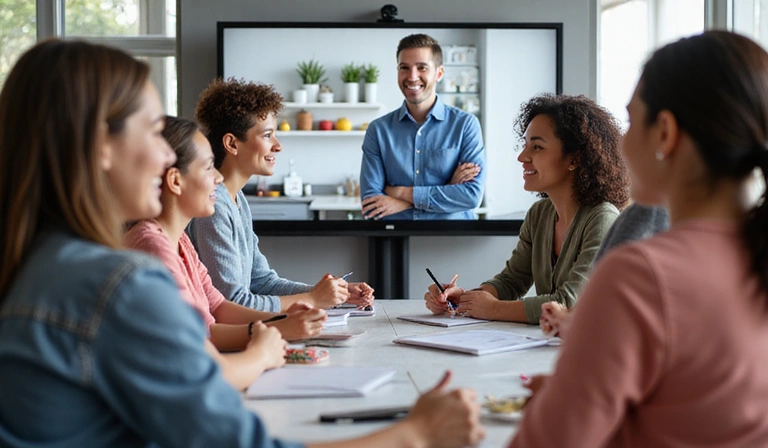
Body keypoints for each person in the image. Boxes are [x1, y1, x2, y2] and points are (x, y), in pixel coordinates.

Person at [0, 39, 485, 448]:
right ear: (99, 146)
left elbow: (213, 318)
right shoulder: (119, 284)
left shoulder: (40, 265)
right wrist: (416, 433)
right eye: (153, 130)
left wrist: (280, 323)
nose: (169, 153)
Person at [510, 30, 768, 447]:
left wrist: (555, 409)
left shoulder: (640, 275)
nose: (622, 144)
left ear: (664, 133)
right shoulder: (751, 255)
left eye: (630, 122)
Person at [124, 116, 326, 389]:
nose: (218, 177)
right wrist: (270, 337)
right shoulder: (152, 247)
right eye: (208, 167)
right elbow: (204, 338)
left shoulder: (179, 240)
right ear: (175, 181)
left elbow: (217, 306)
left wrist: (284, 320)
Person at [425, 94, 630, 323]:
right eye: (525, 145)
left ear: (574, 159)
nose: (522, 156)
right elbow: (512, 281)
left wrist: (493, 309)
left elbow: (571, 302)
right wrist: (465, 299)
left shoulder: (603, 219)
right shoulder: (540, 214)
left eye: (537, 147)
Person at [189, 79, 374, 312]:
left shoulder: (237, 200)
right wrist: (314, 299)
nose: (278, 146)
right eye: (267, 136)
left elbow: (262, 282)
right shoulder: (214, 206)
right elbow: (233, 304)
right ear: (232, 144)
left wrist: (332, 294)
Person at [359, 33, 485, 220]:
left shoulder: (466, 125)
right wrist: (448, 189)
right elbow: (371, 203)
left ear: (439, 73)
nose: (412, 76)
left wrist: (400, 194)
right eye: (404, 68)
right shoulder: (378, 130)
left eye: (422, 67)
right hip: (396, 242)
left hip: (453, 241)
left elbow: (471, 195)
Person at [540, 203, 669, 337]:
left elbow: (604, 302)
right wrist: (569, 317)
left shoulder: (645, 213)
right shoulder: (644, 214)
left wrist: (573, 321)